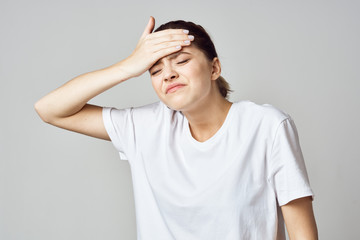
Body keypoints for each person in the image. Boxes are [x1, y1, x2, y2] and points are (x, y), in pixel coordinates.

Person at [35, 16, 318, 240]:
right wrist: (129, 66)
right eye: (155, 70)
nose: (168, 73)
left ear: (214, 68)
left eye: (181, 61)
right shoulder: (145, 128)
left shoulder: (265, 126)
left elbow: (302, 232)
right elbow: (49, 109)